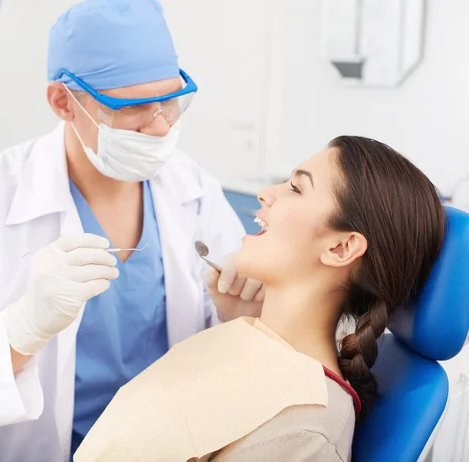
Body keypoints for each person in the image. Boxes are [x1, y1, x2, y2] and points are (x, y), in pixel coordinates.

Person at [0, 1, 260, 461]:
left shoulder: (193, 190)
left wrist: (238, 318)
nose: (160, 126)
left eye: (171, 100)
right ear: (64, 102)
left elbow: (225, 354)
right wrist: (21, 332)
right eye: (135, 107)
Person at [73, 136, 446, 461]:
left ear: (341, 247)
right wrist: (239, 321)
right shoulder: (250, 338)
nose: (265, 193)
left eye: (297, 188)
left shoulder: (304, 430)